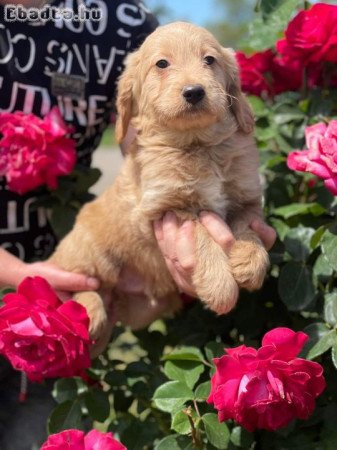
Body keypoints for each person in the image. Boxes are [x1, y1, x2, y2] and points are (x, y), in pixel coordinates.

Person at [0, 1, 276, 449]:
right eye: (164, 66)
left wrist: (244, 235)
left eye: (209, 62)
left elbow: (136, 145)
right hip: (62, 272)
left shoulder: (122, 20)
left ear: (230, 80)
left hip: (64, 281)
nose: (192, 81)